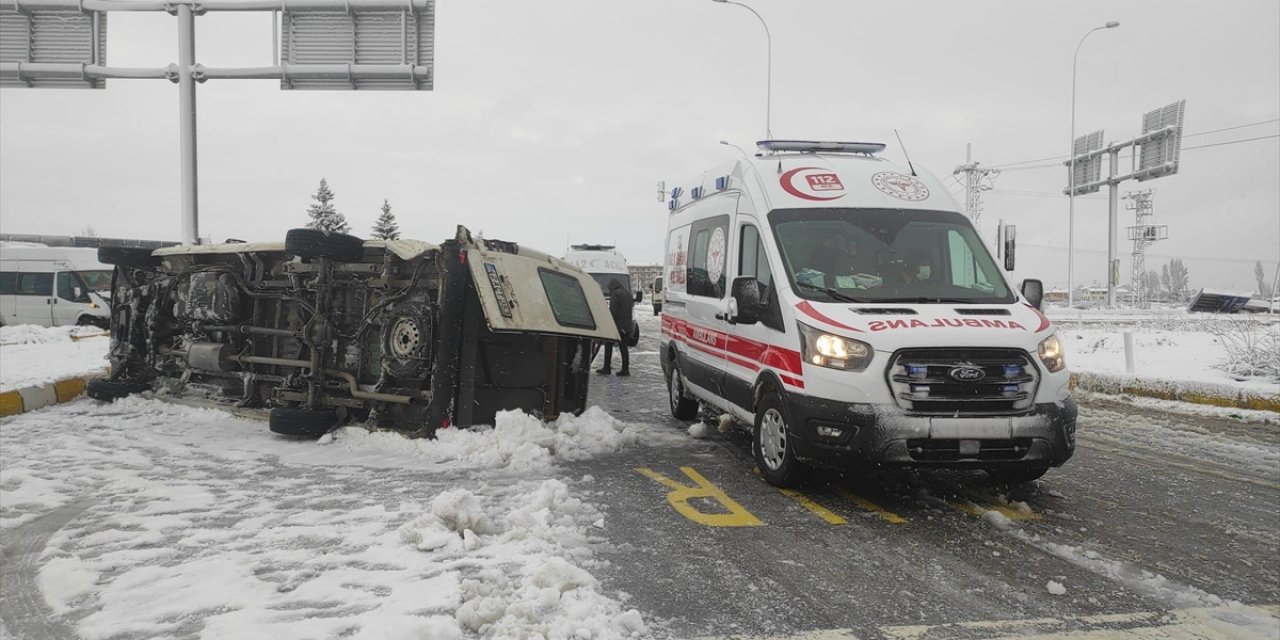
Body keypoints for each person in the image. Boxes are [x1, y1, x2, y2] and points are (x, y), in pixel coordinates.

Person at [598, 278, 634, 376]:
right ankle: (625, 369)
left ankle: (606, 367)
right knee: (623, 347)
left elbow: (613, 311)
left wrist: (608, 322)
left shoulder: (616, 294)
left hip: (617, 325)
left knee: (608, 344)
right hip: (627, 325)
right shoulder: (627, 293)